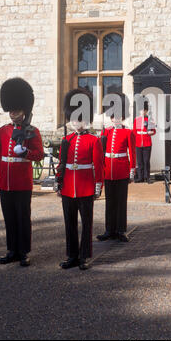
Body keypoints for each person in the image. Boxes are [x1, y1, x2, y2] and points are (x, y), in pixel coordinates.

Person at [0, 77, 44, 267]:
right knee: (9, 217)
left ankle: (24, 252)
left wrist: (26, 152)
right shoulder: (3, 131)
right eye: (11, 110)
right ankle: (12, 250)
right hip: (5, 180)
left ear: (24, 110)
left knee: (23, 216)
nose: (13, 113)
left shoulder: (32, 131)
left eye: (17, 110)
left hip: (22, 181)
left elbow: (39, 155)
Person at [55, 88, 104, 271]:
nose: (75, 122)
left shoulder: (93, 140)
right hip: (68, 187)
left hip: (85, 187)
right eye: (73, 118)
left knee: (86, 224)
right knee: (70, 224)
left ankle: (84, 256)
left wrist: (98, 186)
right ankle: (72, 255)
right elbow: (61, 164)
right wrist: (58, 183)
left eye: (79, 118)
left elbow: (98, 166)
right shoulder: (66, 139)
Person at [97, 92, 136, 243]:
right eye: (113, 116)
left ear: (123, 116)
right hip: (108, 171)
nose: (115, 119)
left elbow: (132, 153)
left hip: (122, 171)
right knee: (109, 201)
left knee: (121, 201)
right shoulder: (106, 132)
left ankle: (121, 230)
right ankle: (109, 229)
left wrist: (132, 171)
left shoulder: (128, 132)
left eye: (118, 116)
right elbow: (101, 154)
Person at [133, 98, 156, 183]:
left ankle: (147, 177)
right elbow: (134, 132)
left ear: (146, 111)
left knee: (146, 161)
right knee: (139, 161)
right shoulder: (137, 120)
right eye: (141, 110)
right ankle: (140, 177)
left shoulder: (150, 119)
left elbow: (154, 131)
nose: (142, 111)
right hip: (138, 143)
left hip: (147, 143)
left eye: (144, 110)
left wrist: (150, 132)